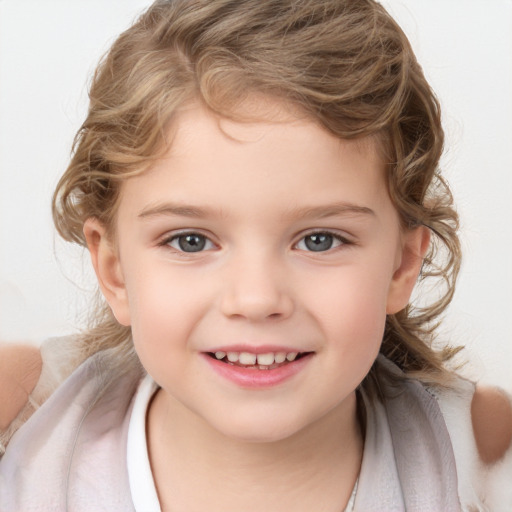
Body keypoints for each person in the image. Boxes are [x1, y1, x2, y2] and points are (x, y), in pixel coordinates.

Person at [1, 0, 511, 510]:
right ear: (114, 272)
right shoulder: (21, 419)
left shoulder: (483, 456)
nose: (256, 299)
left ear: (401, 265)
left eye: (320, 240)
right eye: (190, 241)